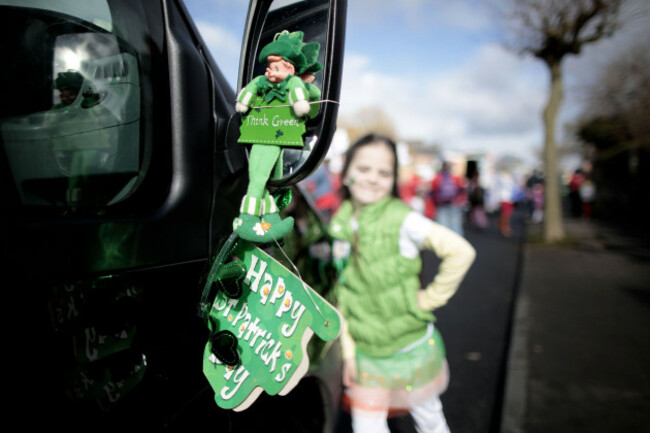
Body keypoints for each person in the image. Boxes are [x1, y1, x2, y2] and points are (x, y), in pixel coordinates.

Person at [329, 134, 476, 433]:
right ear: (346, 174)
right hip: (366, 353)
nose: (372, 179)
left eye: (384, 173)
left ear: (394, 179)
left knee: (430, 422)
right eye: (364, 169)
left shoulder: (403, 220)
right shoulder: (340, 222)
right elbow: (343, 292)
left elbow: (461, 252)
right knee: (367, 426)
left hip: (409, 348)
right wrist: (347, 352)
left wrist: (429, 299)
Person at [431, 161, 466, 236]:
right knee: (455, 226)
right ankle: (457, 242)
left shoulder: (437, 178)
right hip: (454, 204)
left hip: (441, 205)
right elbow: (461, 190)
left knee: (443, 226)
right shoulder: (455, 178)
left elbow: (432, 191)